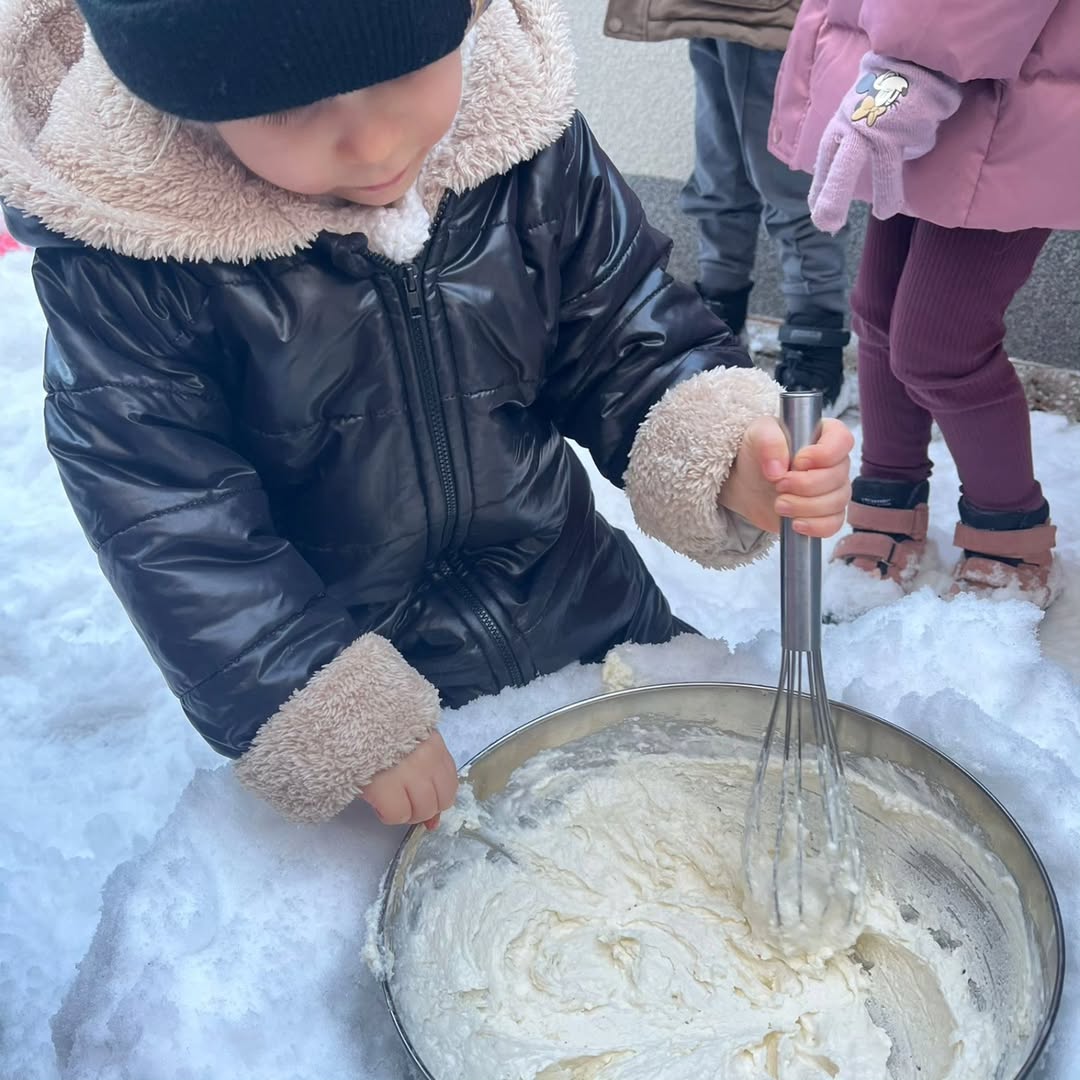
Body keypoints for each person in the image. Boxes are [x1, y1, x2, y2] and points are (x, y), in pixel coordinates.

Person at [0, 0, 852, 830]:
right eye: (292, 107)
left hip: (585, 605)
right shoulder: (137, 256)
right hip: (371, 687)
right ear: (184, 95)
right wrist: (329, 706)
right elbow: (169, 518)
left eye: (405, 70)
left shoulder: (518, 141)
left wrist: (724, 451)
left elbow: (622, 329)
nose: (375, 142)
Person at [770, 0, 1077, 609]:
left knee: (942, 344)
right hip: (914, 60)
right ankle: (889, 495)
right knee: (879, 312)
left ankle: (1010, 531)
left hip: (984, 75)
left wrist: (906, 74)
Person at [603, 0, 854, 415]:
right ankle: (719, 328)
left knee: (789, 183)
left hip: (781, 15)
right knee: (720, 175)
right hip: (712, 10)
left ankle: (816, 354)